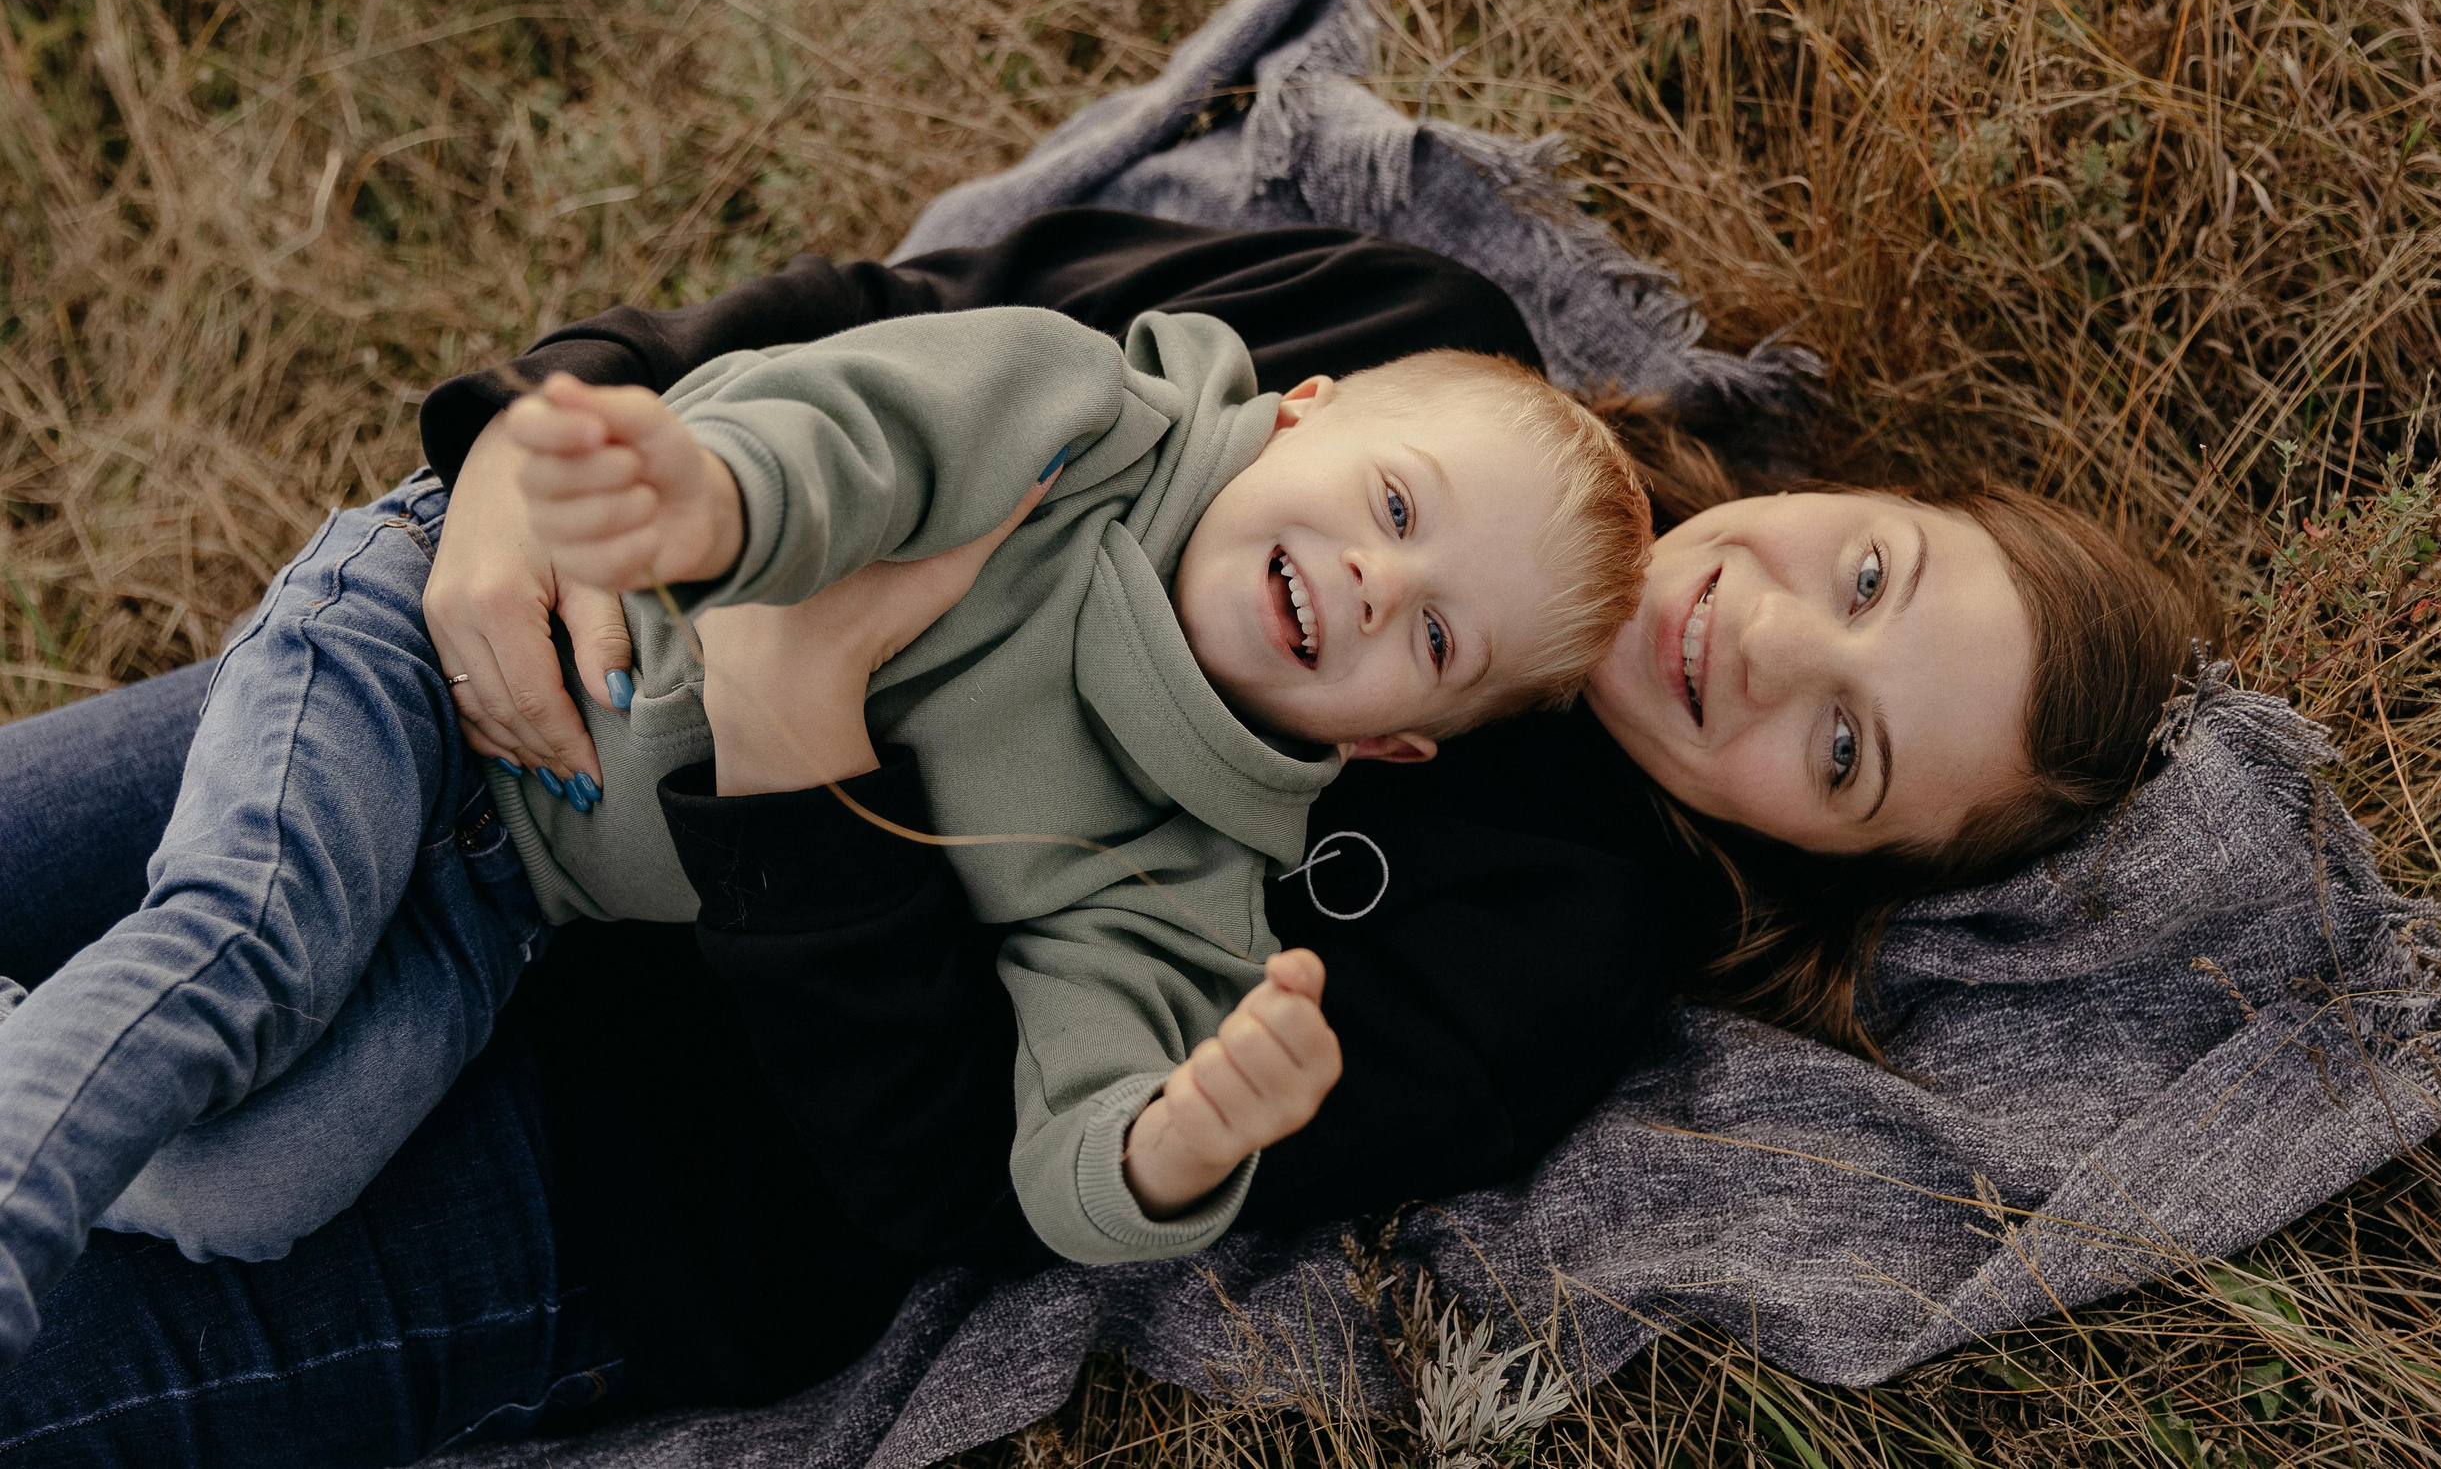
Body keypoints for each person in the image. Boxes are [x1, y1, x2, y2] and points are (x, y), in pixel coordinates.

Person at [0, 211, 2207, 1464]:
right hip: (523, 687)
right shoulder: (1423, 340)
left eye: (1846, 750)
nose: (1774, 644)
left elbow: (984, 1171)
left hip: (634, 1162)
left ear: (1822, 853)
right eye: (1871, 576)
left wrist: (796, 728)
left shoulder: (1546, 948)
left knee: (96, 1311)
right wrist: (524, 448)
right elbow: (889, 327)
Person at [0, 303, 1650, 1336]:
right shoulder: (1077, 418)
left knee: (261, 1179)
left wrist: (1172, 1147)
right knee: (251, 947)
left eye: (1438, 636)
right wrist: (715, 503)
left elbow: (1074, 1126)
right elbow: (852, 441)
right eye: (1394, 502)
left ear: (1396, 746)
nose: (1376, 579)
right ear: (1305, 410)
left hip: (508, 899)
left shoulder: (1178, 866)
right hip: (430, 655)